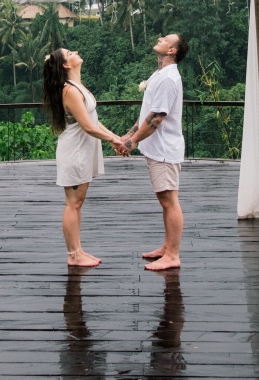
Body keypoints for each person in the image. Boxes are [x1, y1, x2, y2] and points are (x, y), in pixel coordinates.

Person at [42, 48, 127, 267]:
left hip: (83, 149)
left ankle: (77, 250)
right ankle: (73, 254)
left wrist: (116, 137)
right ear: (65, 65)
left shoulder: (77, 86)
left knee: (77, 203)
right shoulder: (69, 90)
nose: (76, 52)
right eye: (70, 52)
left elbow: (93, 120)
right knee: (73, 203)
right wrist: (113, 141)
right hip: (75, 151)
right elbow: (88, 127)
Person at [119, 33, 188, 271]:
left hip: (165, 149)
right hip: (158, 149)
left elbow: (158, 117)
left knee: (170, 201)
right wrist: (129, 135)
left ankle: (173, 255)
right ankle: (167, 248)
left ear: (172, 51)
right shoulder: (159, 74)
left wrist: (132, 143)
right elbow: (147, 113)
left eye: (166, 38)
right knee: (165, 200)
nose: (160, 37)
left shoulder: (169, 78)